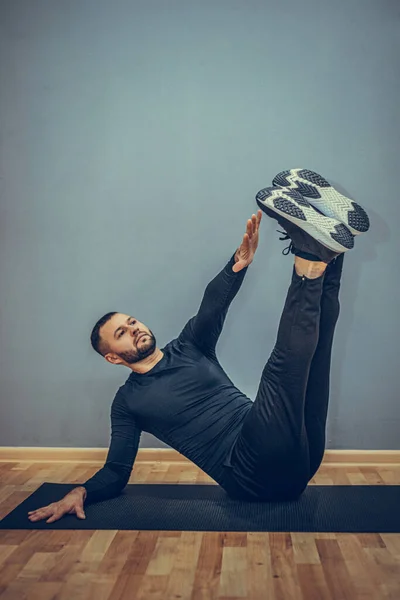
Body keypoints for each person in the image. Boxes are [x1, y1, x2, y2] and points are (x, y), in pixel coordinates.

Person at [28, 168, 370, 523]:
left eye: (132, 322)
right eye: (122, 334)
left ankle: (330, 254)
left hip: (298, 456)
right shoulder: (128, 403)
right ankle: (309, 253)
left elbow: (212, 305)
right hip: (252, 473)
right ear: (113, 357)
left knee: (318, 353)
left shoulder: (189, 346)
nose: (134, 329)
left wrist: (237, 265)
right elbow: (116, 470)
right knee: (284, 367)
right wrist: (79, 492)